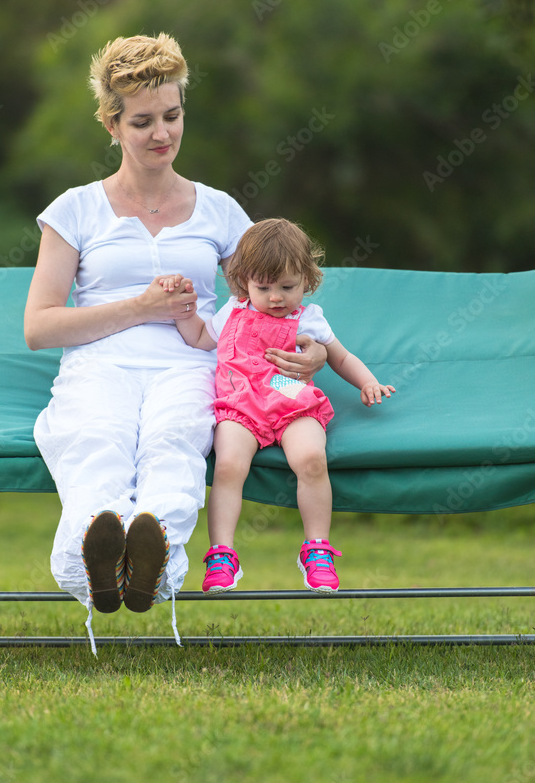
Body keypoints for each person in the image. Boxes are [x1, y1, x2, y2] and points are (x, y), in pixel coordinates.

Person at [24, 33, 326, 647]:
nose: (162, 133)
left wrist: (315, 352)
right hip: (99, 365)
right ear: (112, 124)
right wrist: (140, 306)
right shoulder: (76, 210)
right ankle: (95, 562)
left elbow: (275, 295)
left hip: (194, 365)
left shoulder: (218, 210)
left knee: (173, 445)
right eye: (142, 121)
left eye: (172, 115)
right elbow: (40, 326)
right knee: (97, 441)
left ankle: (151, 559)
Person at [161, 218, 395, 596]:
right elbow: (201, 339)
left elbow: (341, 357)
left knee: (312, 461)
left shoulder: (309, 319)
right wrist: (183, 311)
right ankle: (222, 553)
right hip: (240, 403)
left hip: (289, 398)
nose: (275, 298)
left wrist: (368, 381)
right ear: (244, 284)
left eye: (287, 286)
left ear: (307, 279)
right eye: (263, 287)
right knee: (229, 466)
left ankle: (317, 549)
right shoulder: (232, 313)